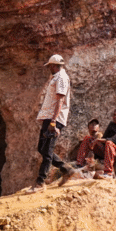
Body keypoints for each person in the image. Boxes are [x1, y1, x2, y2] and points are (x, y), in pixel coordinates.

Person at [29, 54, 73, 193]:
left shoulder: (61, 78)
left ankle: (40, 183)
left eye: (50, 66)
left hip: (55, 119)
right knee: (42, 148)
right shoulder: (57, 77)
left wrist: (54, 121)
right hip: (49, 118)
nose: (49, 68)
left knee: (47, 151)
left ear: (54, 66)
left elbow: (60, 100)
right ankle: (66, 169)